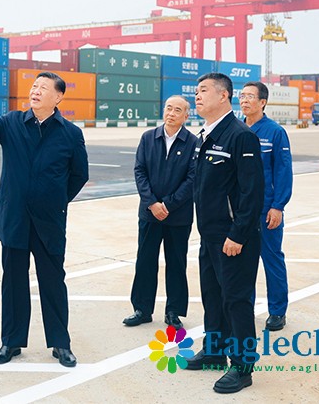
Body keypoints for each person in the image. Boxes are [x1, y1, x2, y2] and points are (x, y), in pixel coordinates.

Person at [0, 71, 89, 368]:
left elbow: (79, 175)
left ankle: (60, 343)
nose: (35, 91)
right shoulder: (12, 122)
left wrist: (56, 200)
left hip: (49, 221)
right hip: (15, 218)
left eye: (43, 88)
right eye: (34, 86)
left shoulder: (70, 134)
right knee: (13, 282)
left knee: (53, 282)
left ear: (58, 96)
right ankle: (11, 341)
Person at [184, 72, 264, 394]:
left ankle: (243, 367)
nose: (197, 96)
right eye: (196, 91)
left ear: (223, 96)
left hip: (233, 238)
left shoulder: (240, 136)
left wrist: (238, 234)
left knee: (236, 301)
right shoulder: (205, 135)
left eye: (203, 90)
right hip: (210, 235)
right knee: (213, 297)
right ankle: (215, 351)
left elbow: (251, 192)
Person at [124, 95, 196, 330]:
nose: (171, 113)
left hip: (178, 216)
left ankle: (174, 311)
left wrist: (169, 205)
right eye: (169, 108)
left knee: (176, 263)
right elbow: (139, 171)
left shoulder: (193, 143)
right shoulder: (148, 138)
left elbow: (192, 178)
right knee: (145, 261)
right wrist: (152, 203)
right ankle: (142, 309)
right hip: (149, 213)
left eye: (178, 110)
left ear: (186, 116)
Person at [239, 81, 293, 332]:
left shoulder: (275, 132)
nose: (245, 100)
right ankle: (244, 308)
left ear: (262, 102)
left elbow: (283, 170)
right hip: (241, 210)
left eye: (250, 96)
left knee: (272, 259)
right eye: (242, 96)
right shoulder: (236, 129)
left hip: (266, 209)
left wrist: (278, 206)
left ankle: (278, 311)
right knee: (242, 262)